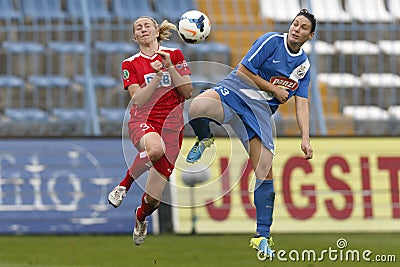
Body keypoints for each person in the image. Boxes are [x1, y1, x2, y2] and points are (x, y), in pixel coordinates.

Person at [185, 9, 316, 258]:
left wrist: (305, 137)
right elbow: (244, 70)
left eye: (302, 27)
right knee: (197, 107)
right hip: (235, 92)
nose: (296, 29)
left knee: (265, 170)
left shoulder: (303, 66)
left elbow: (302, 102)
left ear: (310, 35)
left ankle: (262, 237)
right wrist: (273, 89)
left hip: (258, 113)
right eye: (295, 24)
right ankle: (204, 138)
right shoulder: (271, 41)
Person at [108, 16, 192, 246]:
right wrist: (156, 76)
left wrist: (170, 67)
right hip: (143, 121)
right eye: (138, 27)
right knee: (154, 149)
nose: (143, 29)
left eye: (147, 25)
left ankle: (140, 217)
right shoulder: (130, 63)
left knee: (154, 200)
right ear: (135, 37)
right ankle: (123, 186)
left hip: (172, 130)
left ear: (156, 31)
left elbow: (187, 92)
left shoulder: (174, 54)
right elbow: (137, 100)